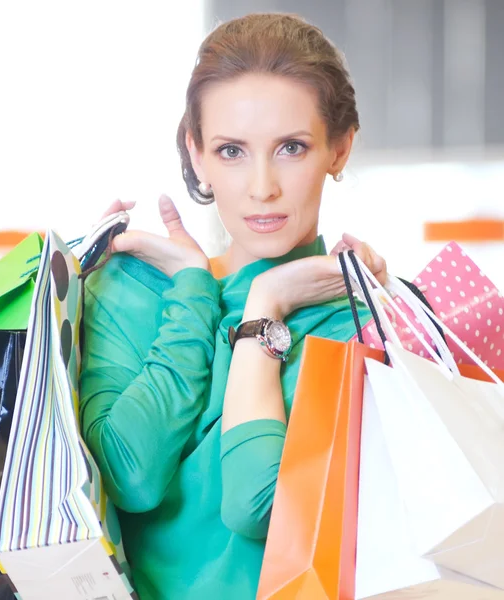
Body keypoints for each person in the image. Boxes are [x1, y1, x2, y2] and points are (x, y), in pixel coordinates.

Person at [79, 12, 387, 600]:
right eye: (231, 151)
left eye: (292, 147)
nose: (263, 186)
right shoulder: (132, 290)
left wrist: (265, 309)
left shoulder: (365, 325)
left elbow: (259, 509)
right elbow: (130, 476)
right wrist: (192, 294)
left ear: (340, 149)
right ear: (196, 156)